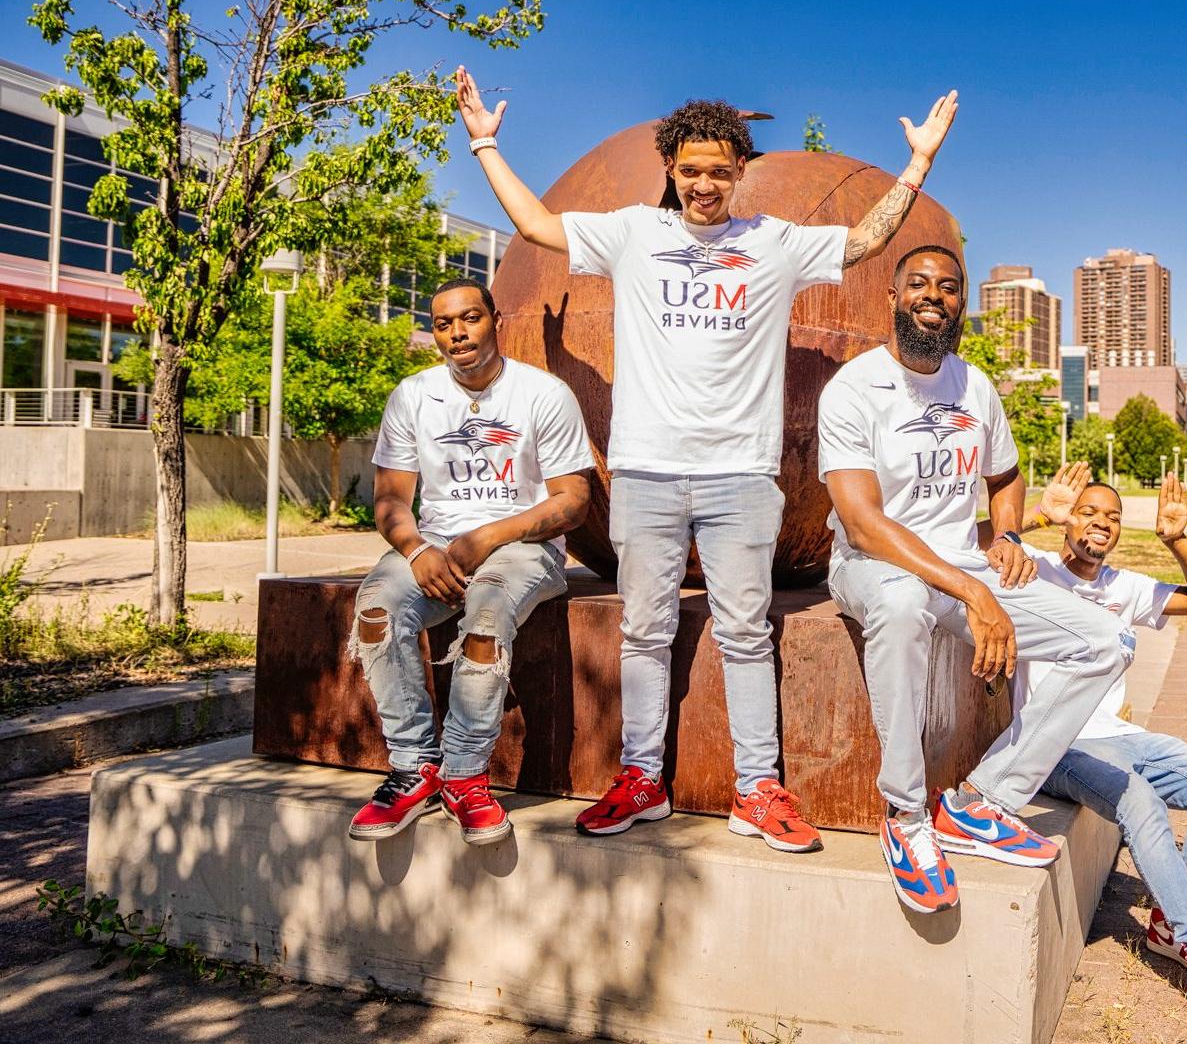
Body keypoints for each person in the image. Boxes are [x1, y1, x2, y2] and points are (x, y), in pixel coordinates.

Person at [454, 66, 959, 852]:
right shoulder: (632, 233)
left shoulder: (772, 245)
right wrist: (485, 144)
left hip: (741, 477)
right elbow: (538, 227)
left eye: (719, 171)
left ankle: (757, 788)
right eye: (690, 171)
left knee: (745, 633)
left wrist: (917, 165)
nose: (704, 184)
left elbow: (863, 241)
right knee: (645, 632)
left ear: (738, 172)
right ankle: (641, 780)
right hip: (648, 472)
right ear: (671, 170)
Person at [818, 244, 1134, 913]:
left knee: (1106, 642)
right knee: (902, 604)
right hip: (870, 565)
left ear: (962, 303)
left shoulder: (974, 386)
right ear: (892, 297)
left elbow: (1005, 475)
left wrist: (1010, 535)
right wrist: (972, 591)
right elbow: (863, 521)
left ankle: (979, 802)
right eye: (918, 284)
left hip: (962, 569)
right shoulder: (853, 387)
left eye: (949, 287)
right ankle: (905, 820)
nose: (933, 296)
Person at [346, 278, 593, 847]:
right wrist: (416, 550)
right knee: (377, 607)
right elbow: (388, 501)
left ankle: (463, 774)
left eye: (470, 318)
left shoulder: (543, 393)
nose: (457, 333)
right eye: (443, 324)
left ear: (495, 320)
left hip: (523, 549)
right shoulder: (413, 395)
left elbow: (573, 502)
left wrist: (487, 538)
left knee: (486, 611)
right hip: (433, 546)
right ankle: (413, 766)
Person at [1030, 475, 1187, 1022]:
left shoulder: (1125, 587)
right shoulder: (1033, 570)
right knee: (1140, 802)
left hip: (1120, 735)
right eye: (1088, 511)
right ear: (1069, 518)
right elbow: (964, 550)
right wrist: (1038, 516)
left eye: (1112, 516)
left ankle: (1167, 920)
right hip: (1057, 742)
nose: (1101, 522)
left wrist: (1176, 541)